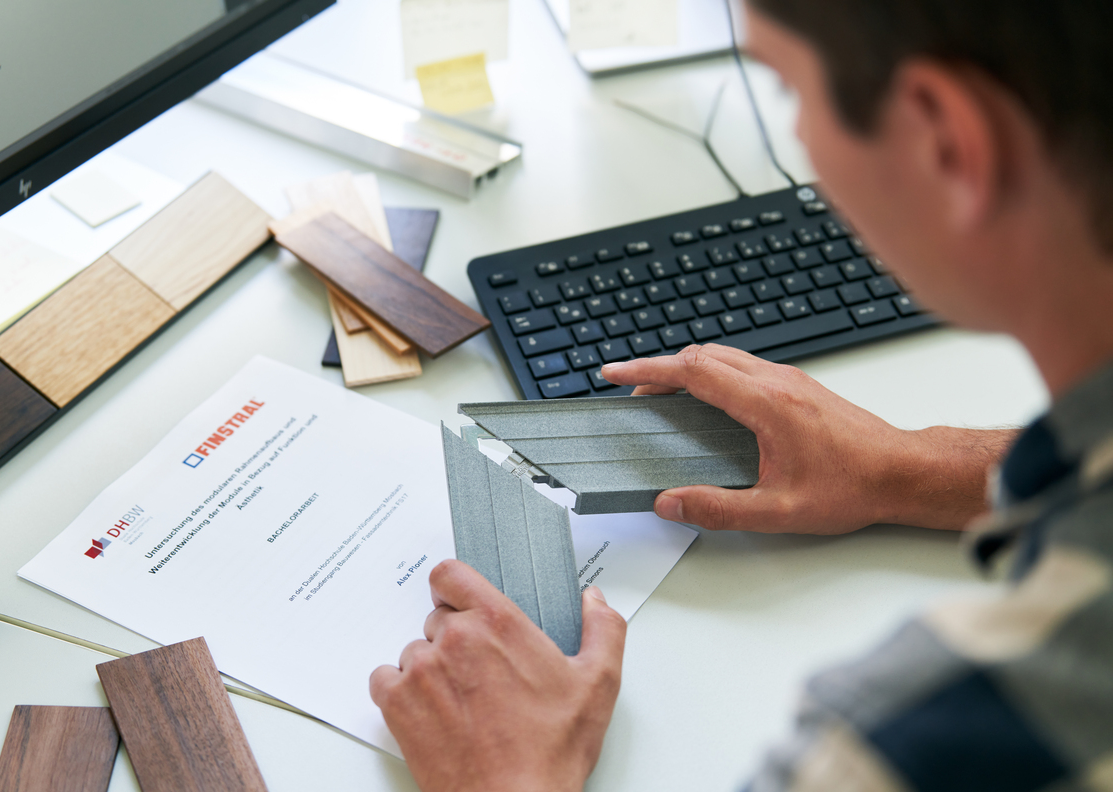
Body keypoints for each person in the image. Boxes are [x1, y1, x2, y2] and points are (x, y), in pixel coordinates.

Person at [369, 0, 1113, 789]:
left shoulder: (916, 746)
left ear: (947, 141)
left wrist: (509, 773)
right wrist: (911, 467)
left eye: (788, 89)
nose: (798, 144)